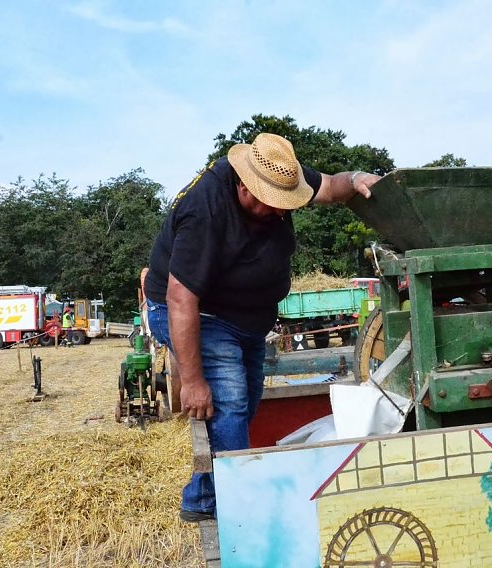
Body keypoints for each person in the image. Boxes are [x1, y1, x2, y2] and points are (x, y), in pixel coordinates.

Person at [144, 133, 380, 522]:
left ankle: (202, 496)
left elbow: (331, 186)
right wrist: (194, 381)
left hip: (246, 318)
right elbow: (181, 300)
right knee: (230, 401)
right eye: (273, 203)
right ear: (245, 186)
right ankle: (243, 512)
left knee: (244, 403)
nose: (281, 213)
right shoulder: (205, 211)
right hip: (199, 314)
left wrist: (356, 179)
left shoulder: (281, 173)